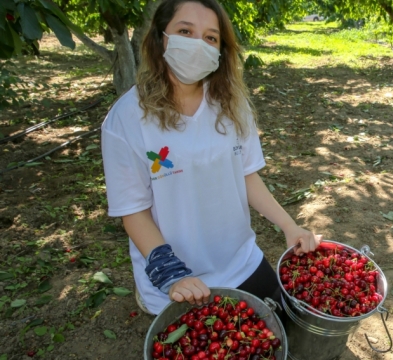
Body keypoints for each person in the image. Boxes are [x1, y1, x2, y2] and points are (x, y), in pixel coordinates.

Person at [100, 0, 321, 315]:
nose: (197, 44)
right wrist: (170, 275)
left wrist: (290, 226)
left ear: (221, 51)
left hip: (240, 260)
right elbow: (133, 210)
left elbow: (244, 174)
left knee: (282, 333)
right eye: (185, 31)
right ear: (160, 38)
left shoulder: (231, 103)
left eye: (210, 37)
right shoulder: (126, 119)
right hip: (177, 281)